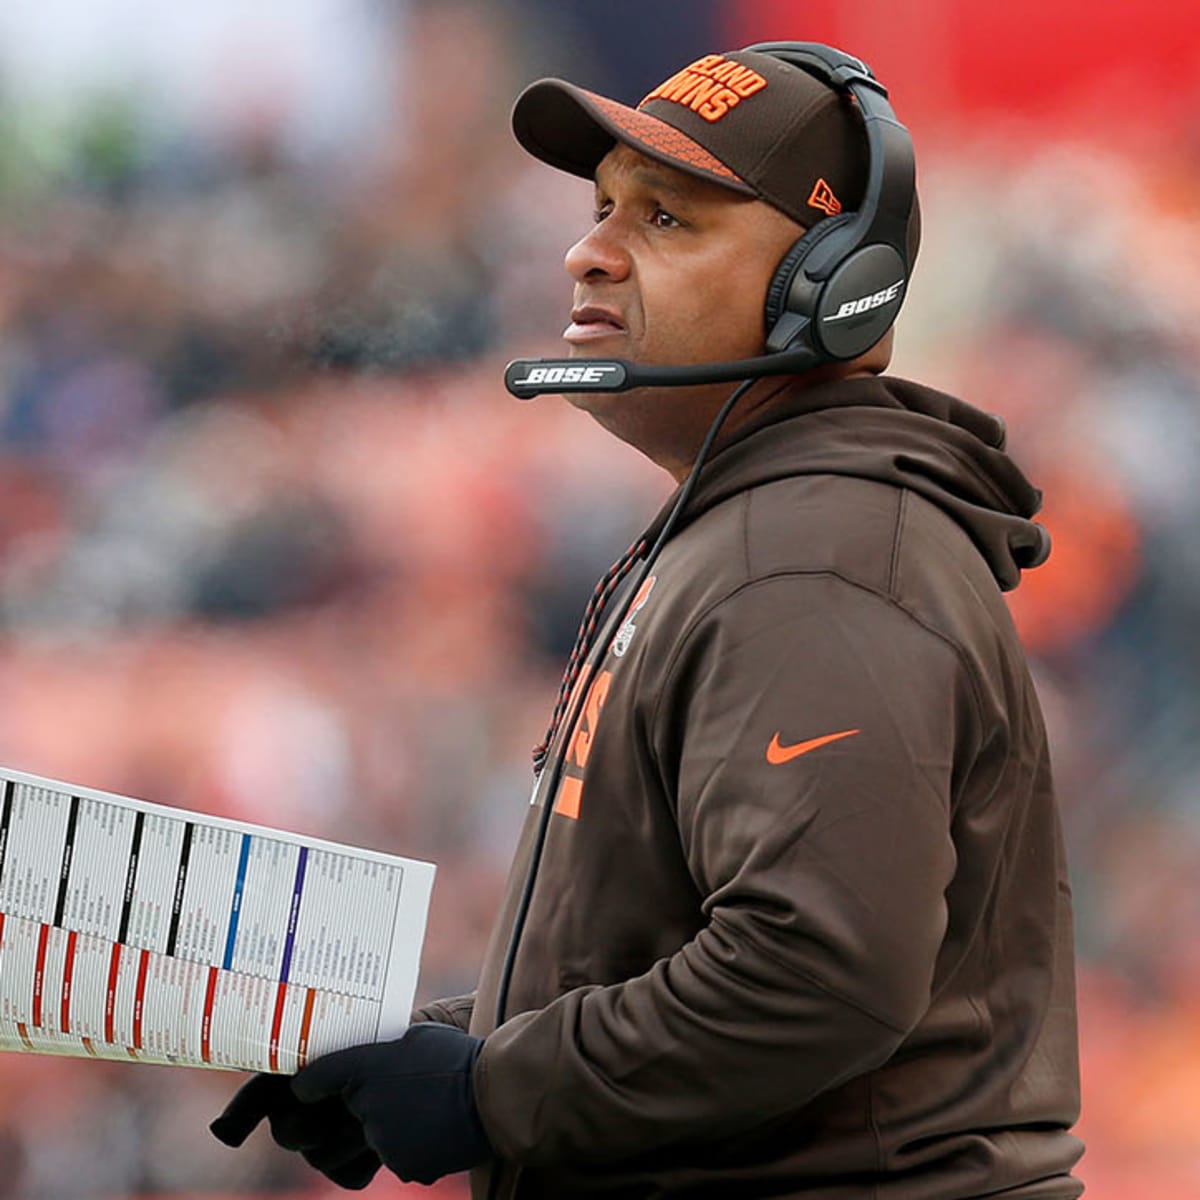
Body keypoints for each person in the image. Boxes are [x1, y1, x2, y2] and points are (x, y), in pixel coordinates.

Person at [210, 42, 1085, 1200]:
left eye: (667, 219)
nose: (590, 251)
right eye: (602, 208)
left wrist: (490, 1092)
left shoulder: (812, 561)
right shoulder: (761, 530)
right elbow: (683, 942)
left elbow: (814, 975)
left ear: (832, 282)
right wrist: (448, 1052)